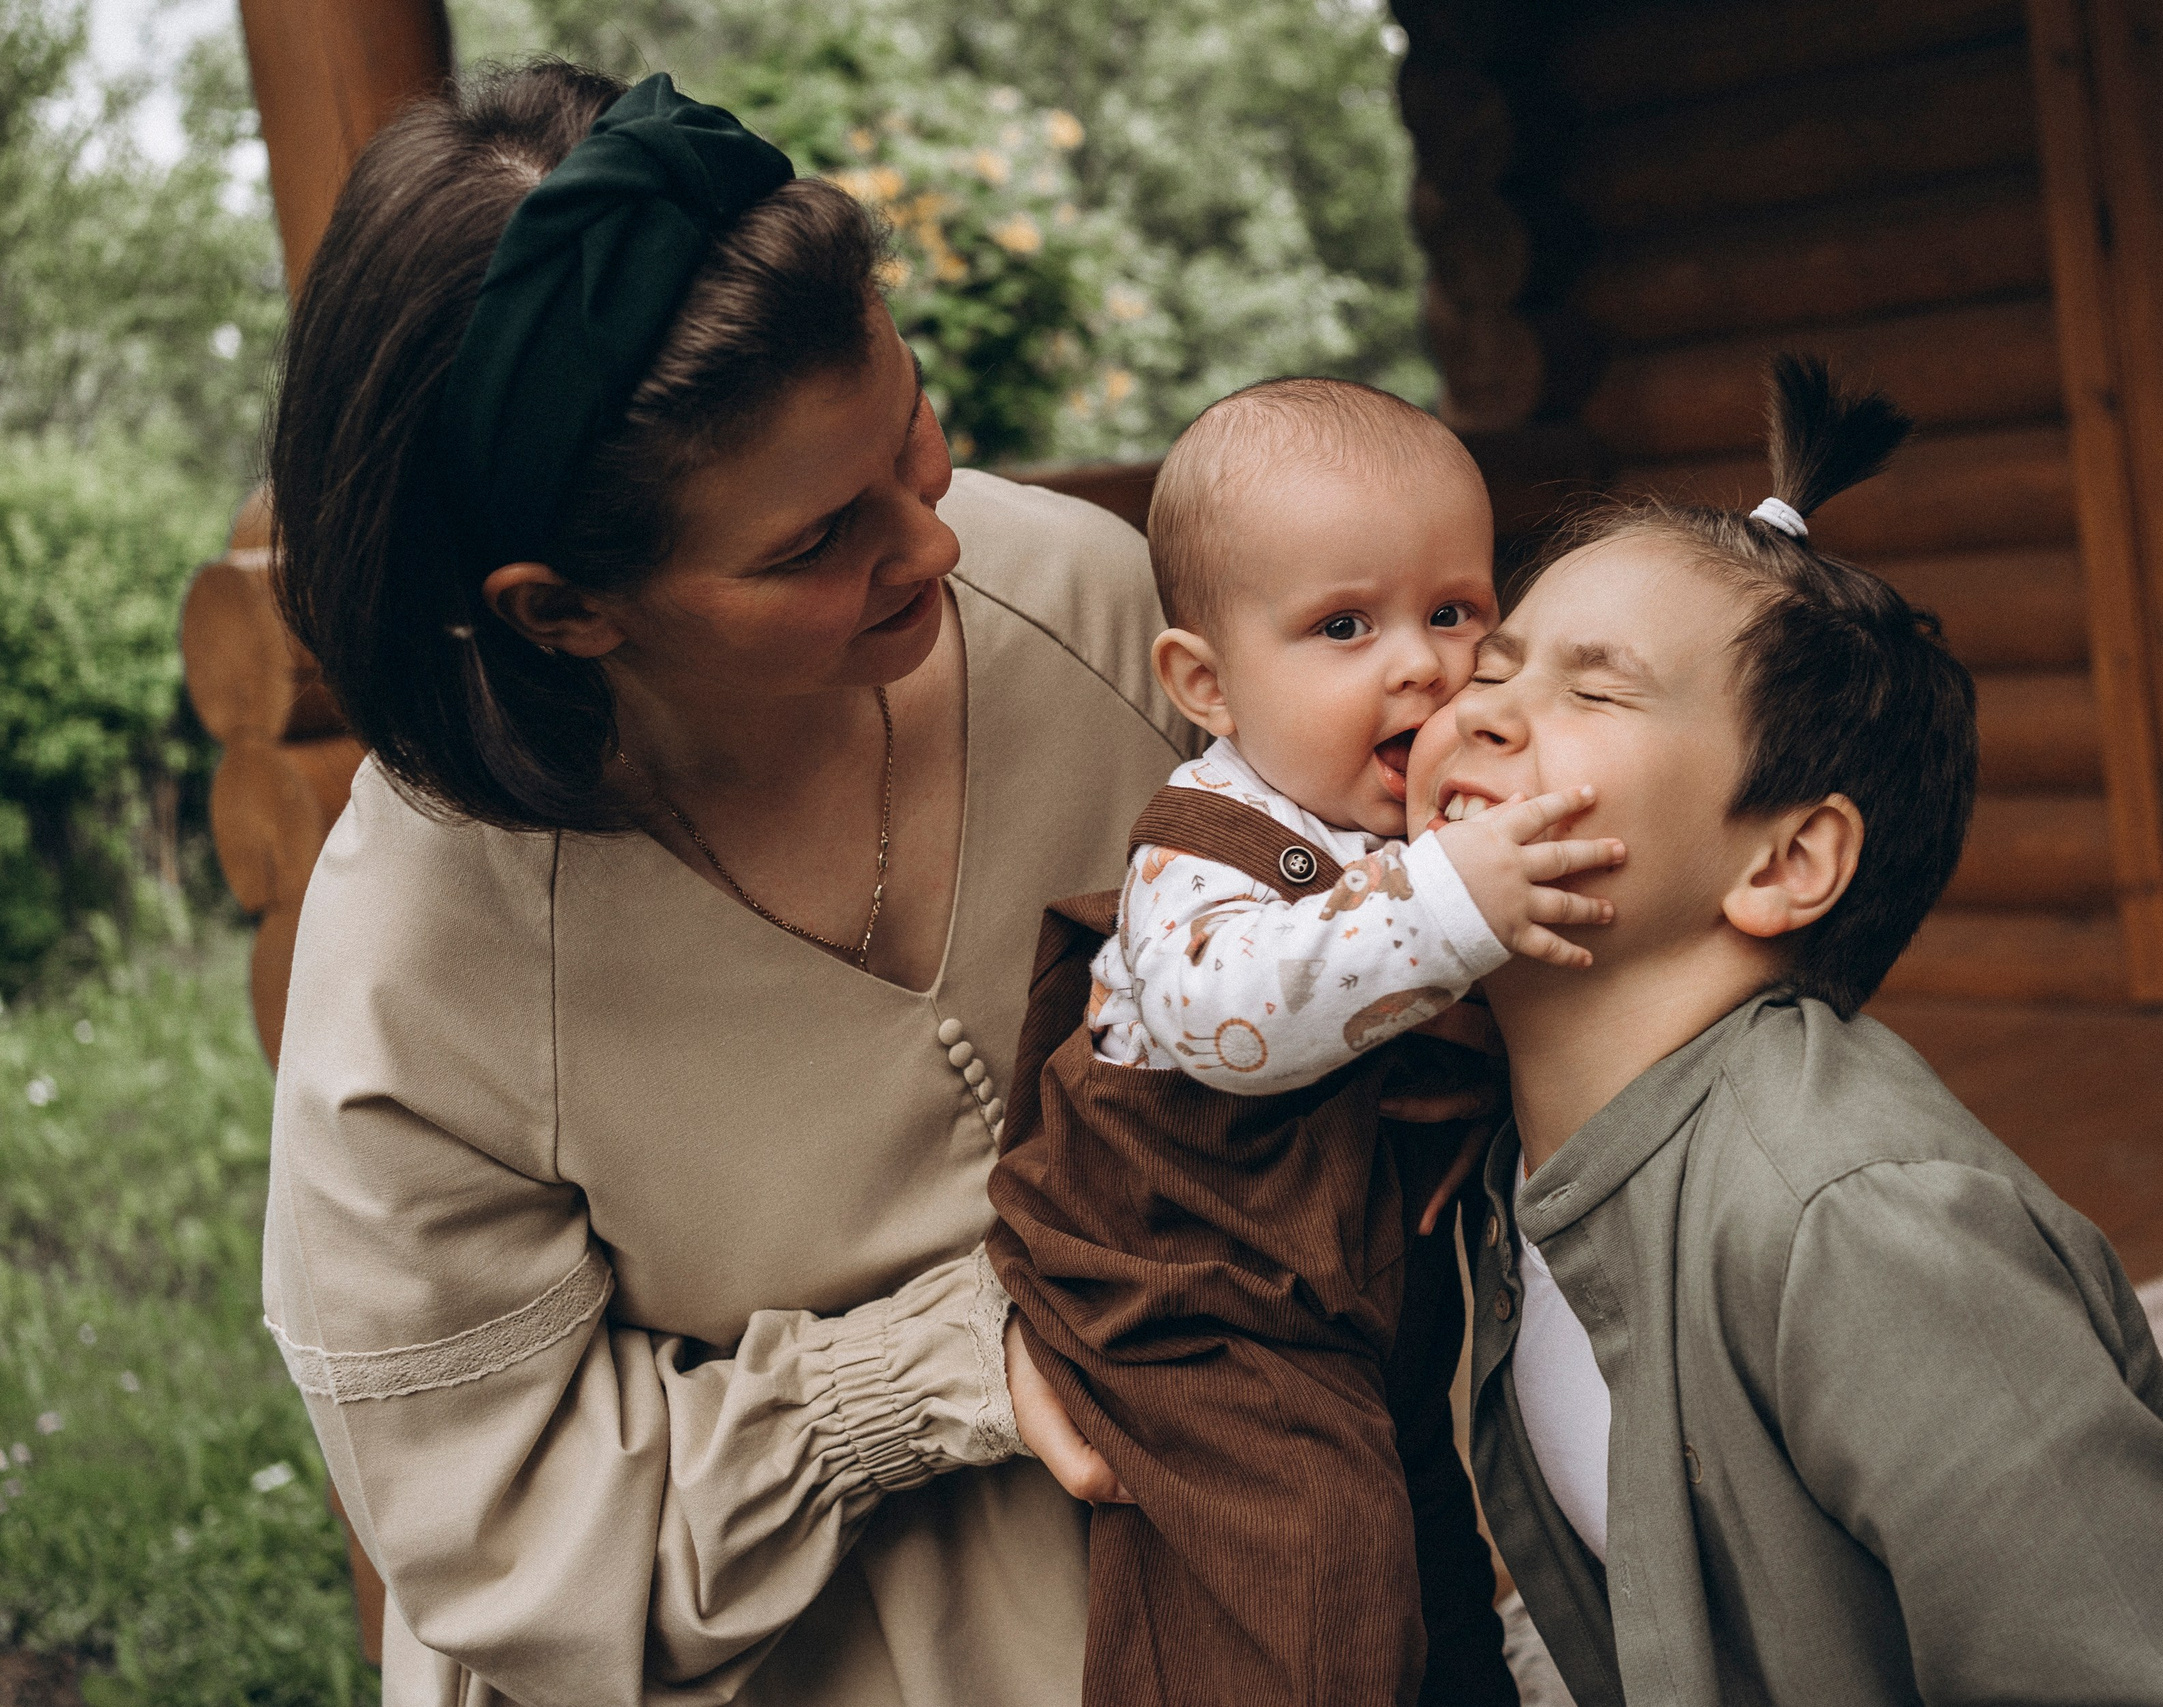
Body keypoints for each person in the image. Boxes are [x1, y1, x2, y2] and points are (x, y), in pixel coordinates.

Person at [257, 64, 1494, 1707]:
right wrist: (934, 1367)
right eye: (818, 541)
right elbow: (491, 1525)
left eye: (914, 437)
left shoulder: (1094, 604)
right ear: (564, 611)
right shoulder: (423, 953)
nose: (937, 548)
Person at [1414, 357, 2163, 1707]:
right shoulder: (1495, 1171)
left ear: (1785, 862)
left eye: (1594, 690)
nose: (1476, 707)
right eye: (1495, 664)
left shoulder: (1858, 1225)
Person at [987, 379, 1619, 1707]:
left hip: (1350, 1293)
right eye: (1345, 625)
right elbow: (1238, 1023)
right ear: (1206, 683)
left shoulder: (1424, 832)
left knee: (1428, 1546)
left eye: (1457, 611)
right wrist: (1454, 905)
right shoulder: (1201, 843)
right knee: (1308, 1585)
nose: (1424, 662)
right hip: (1190, 1304)